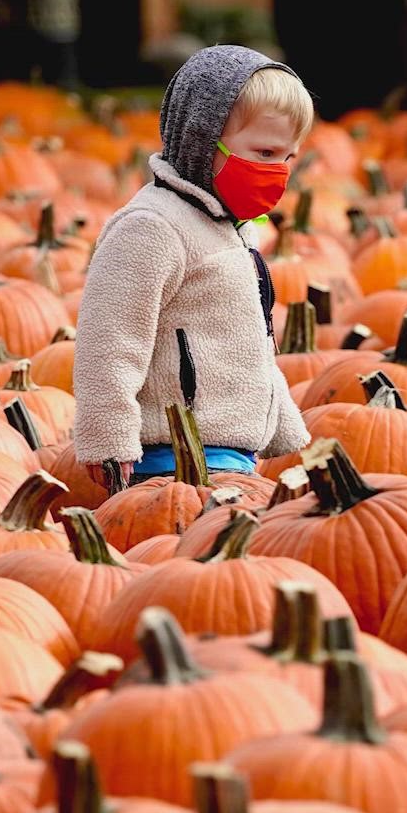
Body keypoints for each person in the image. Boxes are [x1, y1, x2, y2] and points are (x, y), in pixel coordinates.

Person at [71, 45, 313, 489]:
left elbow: (248, 342)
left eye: (287, 157)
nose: (278, 171)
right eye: (263, 153)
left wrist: (282, 425)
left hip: (234, 455)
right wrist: (107, 437)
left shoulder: (231, 227)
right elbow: (110, 338)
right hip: (167, 461)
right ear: (203, 140)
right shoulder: (152, 228)